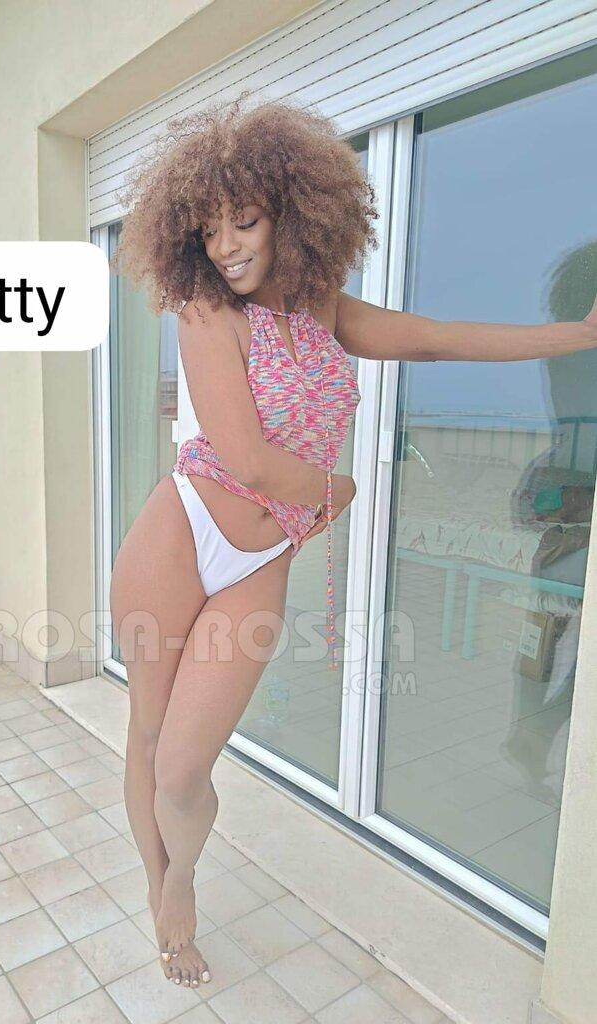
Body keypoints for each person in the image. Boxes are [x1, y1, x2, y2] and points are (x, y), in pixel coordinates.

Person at [108, 94, 597, 990]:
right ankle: (162, 890)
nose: (227, 246)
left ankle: (181, 872)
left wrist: (579, 334)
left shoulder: (324, 310)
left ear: (292, 215)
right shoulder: (205, 311)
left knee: (182, 767)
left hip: (258, 565)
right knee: (146, 739)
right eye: (210, 229)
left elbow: (439, 342)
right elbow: (247, 459)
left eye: (245, 221)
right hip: (179, 531)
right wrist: (345, 490)